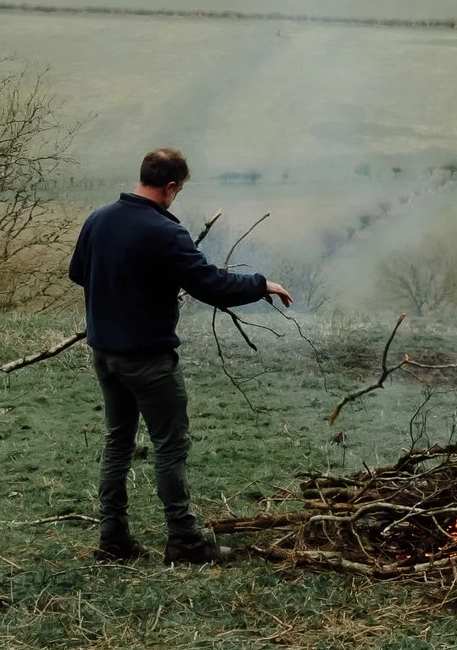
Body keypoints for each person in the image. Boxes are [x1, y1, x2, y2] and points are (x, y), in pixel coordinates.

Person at [65, 147, 291, 565]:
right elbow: (211, 284)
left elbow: (79, 272)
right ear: (170, 187)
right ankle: (184, 542)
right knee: (170, 447)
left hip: (105, 354)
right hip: (149, 359)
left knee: (118, 442)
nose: (177, 195)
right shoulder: (164, 232)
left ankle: (113, 539)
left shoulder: (98, 219)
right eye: (179, 189)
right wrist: (262, 285)